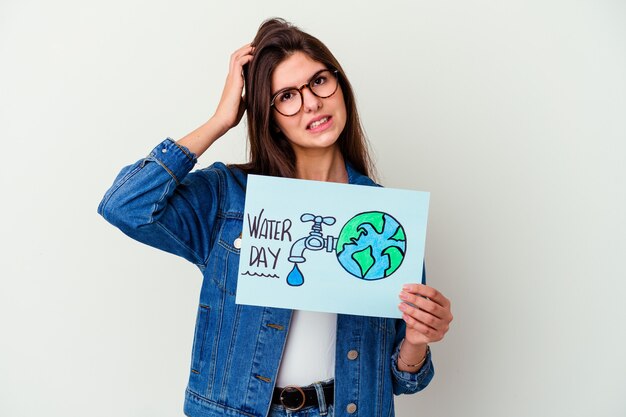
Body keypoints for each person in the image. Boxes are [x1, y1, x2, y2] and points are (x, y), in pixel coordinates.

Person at [98, 18, 452, 417]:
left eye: (319, 81)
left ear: (340, 84)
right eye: (287, 96)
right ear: (269, 116)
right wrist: (219, 121)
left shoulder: (387, 221)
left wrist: (418, 341)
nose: (312, 103)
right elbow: (124, 206)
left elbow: (405, 378)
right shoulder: (229, 195)